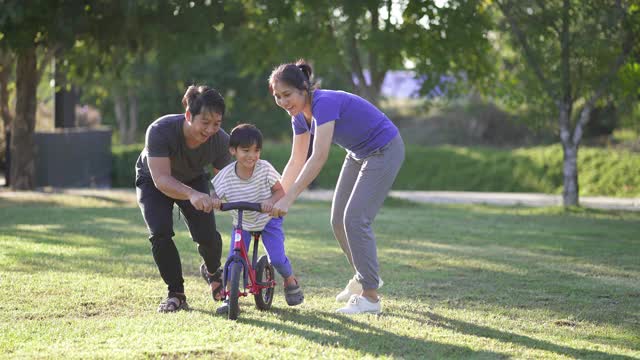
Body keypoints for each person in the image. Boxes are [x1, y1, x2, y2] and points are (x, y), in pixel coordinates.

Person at [268, 60, 405, 314]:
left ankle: (370, 298)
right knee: (338, 221)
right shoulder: (299, 117)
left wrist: (289, 200)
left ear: (303, 89)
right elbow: (296, 160)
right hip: (358, 153)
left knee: (355, 219)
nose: (283, 102)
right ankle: (363, 276)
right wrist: (277, 195)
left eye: (287, 95)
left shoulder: (324, 102)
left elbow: (318, 156)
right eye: (277, 97)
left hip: (385, 149)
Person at [135, 85, 231, 312]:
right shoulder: (160, 130)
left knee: (206, 235)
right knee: (160, 233)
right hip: (154, 180)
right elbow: (161, 179)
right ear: (188, 115)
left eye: (216, 124)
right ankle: (176, 293)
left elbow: (226, 179)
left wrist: (217, 195)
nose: (210, 130)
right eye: (205, 123)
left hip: (194, 178)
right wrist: (192, 194)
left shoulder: (220, 141)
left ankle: (213, 272)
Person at [211, 123, 304, 313]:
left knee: (277, 258)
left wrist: (270, 200)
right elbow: (215, 195)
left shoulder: (264, 169)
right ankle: (230, 299)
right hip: (242, 222)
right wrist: (213, 202)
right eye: (246, 150)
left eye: (256, 150)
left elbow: (280, 191)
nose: (252, 155)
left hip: (268, 219)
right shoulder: (226, 175)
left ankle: (289, 279)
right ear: (233, 150)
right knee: (232, 259)